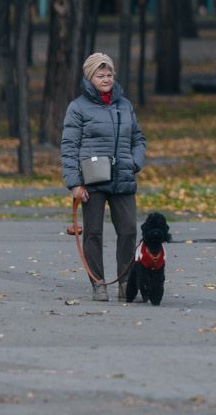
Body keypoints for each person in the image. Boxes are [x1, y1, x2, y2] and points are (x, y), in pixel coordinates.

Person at [61, 52, 147, 301]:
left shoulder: (125, 105)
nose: (106, 79)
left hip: (123, 177)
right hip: (93, 180)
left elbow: (138, 139)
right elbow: (69, 147)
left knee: (129, 230)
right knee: (93, 233)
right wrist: (74, 183)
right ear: (90, 77)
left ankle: (125, 282)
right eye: (100, 75)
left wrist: (134, 161)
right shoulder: (77, 108)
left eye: (109, 74)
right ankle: (98, 282)